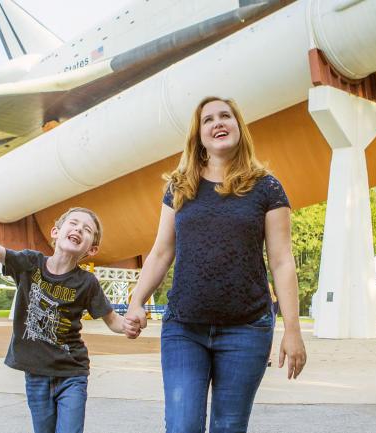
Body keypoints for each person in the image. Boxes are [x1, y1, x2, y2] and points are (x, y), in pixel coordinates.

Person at [124, 96, 307, 433]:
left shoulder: (266, 187)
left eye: (226, 116)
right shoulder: (180, 186)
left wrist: (292, 330)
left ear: (239, 127)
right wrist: (136, 301)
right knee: (182, 426)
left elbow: (281, 261)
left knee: (228, 427)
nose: (218, 123)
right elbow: (161, 252)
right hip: (184, 328)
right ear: (199, 135)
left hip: (246, 329)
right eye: (208, 119)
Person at [0, 207, 140, 433]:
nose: (78, 229)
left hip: (72, 374)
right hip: (36, 375)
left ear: (92, 248)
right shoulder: (30, 263)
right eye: (74, 223)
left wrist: (127, 326)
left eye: (86, 229)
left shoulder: (87, 283)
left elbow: (111, 320)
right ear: (55, 232)